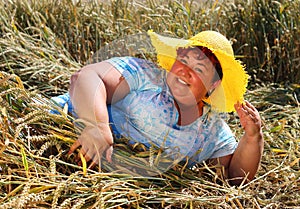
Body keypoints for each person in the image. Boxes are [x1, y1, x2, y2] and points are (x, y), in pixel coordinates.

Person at [52, 30, 263, 185]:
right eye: (184, 61)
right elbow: (87, 77)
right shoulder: (146, 76)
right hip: (59, 124)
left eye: (199, 69)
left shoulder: (210, 130)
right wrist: (96, 127)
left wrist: (253, 137)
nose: (185, 71)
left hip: (100, 179)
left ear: (213, 85)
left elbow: (235, 177)